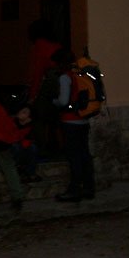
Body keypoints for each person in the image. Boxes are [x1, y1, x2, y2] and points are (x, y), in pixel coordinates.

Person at [51, 48, 96, 202]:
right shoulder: (81, 74)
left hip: (70, 122)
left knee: (74, 156)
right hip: (83, 120)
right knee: (84, 155)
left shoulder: (65, 77)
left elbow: (63, 101)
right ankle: (89, 187)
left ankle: (74, 189)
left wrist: (54, 101)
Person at [26, 19, 62, 154]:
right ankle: (57, 146)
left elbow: (38, 71)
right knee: (55, 119)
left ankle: (42, 148)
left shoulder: (40, 46)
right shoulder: (57, 45)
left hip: (46, 85)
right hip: (60, 85)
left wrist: (32, 95)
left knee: (38, 118)